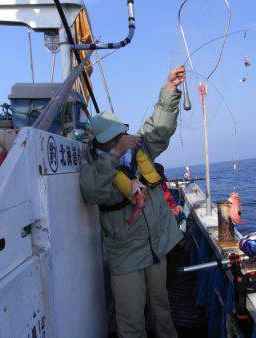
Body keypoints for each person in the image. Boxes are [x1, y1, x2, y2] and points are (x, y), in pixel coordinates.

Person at [79, 66, 186, 338]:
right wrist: (114, 154)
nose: (116, 141)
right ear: (98, 143)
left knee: (162, 310)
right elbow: (92, 192)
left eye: (118, 135)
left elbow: (160, 127)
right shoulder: (95, 166)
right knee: (130, 321)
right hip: (125, 256)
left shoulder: (140, 147)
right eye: (109, 140)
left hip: (155, 246)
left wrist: (170, 89)